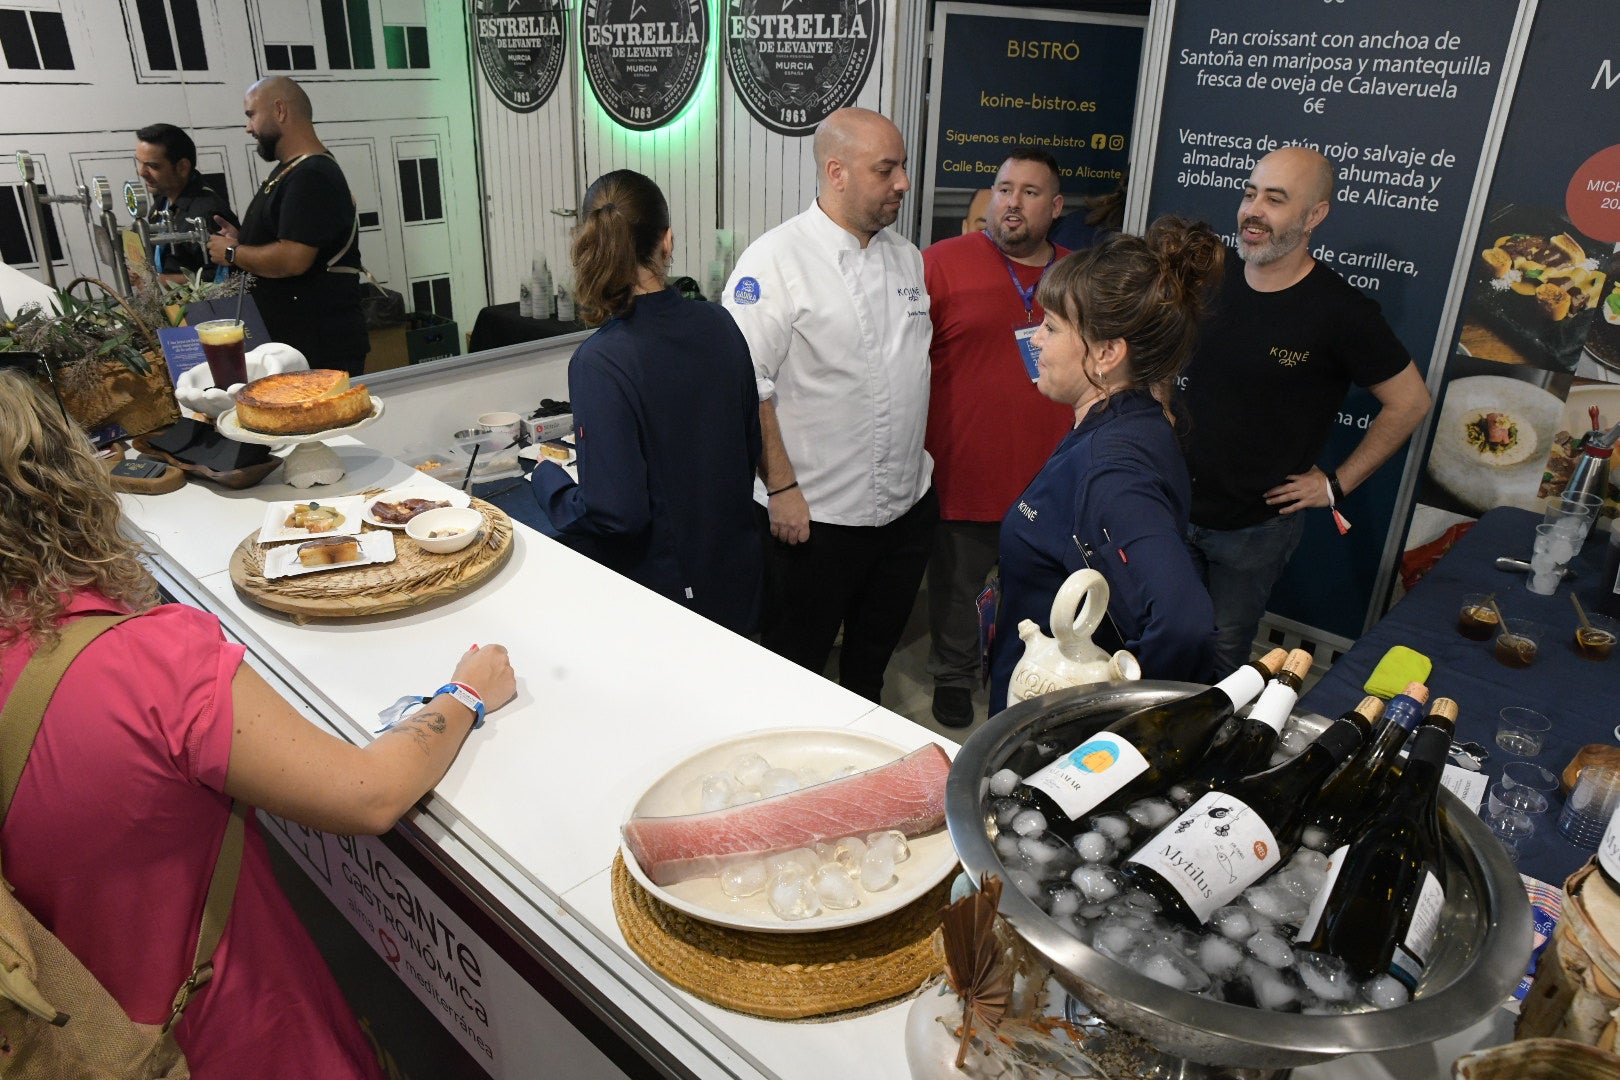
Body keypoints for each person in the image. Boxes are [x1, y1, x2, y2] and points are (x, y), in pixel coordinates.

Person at [0, 370, 516, 1078]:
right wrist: (465, 694)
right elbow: (367, 794)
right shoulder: (145, 662)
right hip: (225, 1035)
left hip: (72, 1038)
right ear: (59, 483)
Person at [1182, 147, 1431, 674]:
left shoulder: (1341, 311)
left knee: (1223, 655)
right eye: (1250, 194)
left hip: (1252, 530)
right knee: (1157, 632)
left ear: (1314, 215)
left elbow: (1410, 402)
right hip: (1171, 506)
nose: (1254, 210)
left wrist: (1335, 485)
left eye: (1275, 200)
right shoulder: (1212, 278)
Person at [723, 107, 936, 703]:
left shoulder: (908, 258)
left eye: (902, 167)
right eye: (886, 169)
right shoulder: (774, 261)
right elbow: (748, 382)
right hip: (816, 520)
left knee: (873, 663)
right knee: (796, 666)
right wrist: (783, 489)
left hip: (905, 506)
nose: (903, 183)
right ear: (836, 172)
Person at [989, 218, 1223, 711]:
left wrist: (1116, 711)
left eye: (1051, 328)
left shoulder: (1112, 467)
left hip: (1051, 733)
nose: (1035, 341)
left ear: (1108, 353)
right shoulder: (1136, 417)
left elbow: (1184, 624)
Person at [530, 170, 763, 635]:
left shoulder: (600, 361)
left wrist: (548, 483)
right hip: (739, 578)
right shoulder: (720, 323)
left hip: (668, 600)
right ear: (668, 241)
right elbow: (747, 447)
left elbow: (618, 514)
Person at [922, 149, 1074, 727]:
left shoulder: (1079, 275)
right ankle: (953, 677)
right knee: (957, 589)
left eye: (1030, 192)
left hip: (1052, 476)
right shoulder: (939, 264)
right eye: (1004, 188)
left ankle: (1019, 680)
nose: (1012, 202)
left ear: (1055, 207)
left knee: (1037, 595)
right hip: (965, 466)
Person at [207, 76, 369, 376]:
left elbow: (293, 259)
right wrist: (243, 241)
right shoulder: (291, 172)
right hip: (299, 345)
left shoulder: (312, 174)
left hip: (317, 349)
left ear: (280, 110)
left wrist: (232, 252)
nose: (248, 127)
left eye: (251, 114)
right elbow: (288, 241)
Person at [134, 122, 237, 281]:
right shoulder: (161, 203)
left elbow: (224, 277)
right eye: (139, 162)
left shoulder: (207, 212)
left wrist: (162, 281)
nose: (142, 172)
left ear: (182, 167)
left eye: (153, 166)